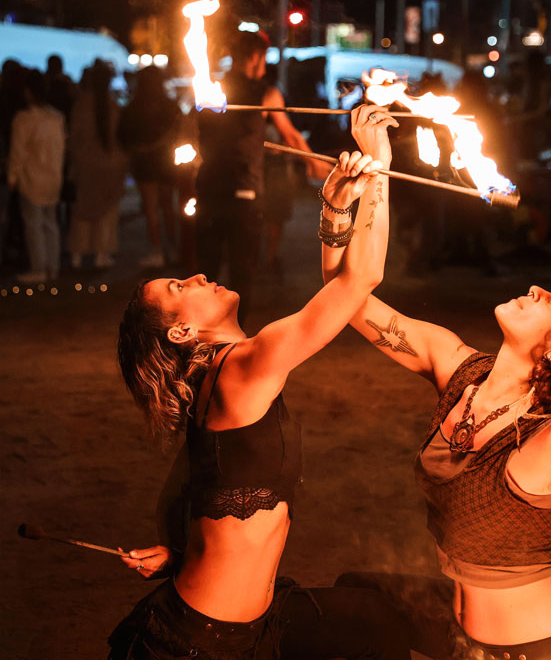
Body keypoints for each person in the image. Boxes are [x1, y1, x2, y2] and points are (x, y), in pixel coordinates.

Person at [322, 150, 551, 657]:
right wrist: (351, 195)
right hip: (466, 642)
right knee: (349, 596)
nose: (536, 288)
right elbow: (342, 298)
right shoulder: (456, 366)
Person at [108, 105, 410, 660]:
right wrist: (381, 166)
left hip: (234, 622)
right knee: (376, 625)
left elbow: (195, 489)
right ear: (182, 331)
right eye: (180, 286)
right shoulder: (243, 366)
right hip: (200, 644)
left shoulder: (213, 381)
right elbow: (360, 279)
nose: (197, 274)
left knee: (375, 619)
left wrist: (337, 203)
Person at [194, 30, 329, 324]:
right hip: (243, 193)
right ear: (255, 56)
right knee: (241, 270)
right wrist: (314, 162)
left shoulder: (211, 87)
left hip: (207, 189)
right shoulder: (265, 93)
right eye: (264, 57)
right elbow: (290, 134)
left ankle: (204, 330)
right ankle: (233, 331)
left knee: (206, 269)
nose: (264, 64)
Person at [118, 65, 181, 268]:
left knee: (151, 208)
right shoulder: (170, 106)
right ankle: (171, 247)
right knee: (167, 206)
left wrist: (139, 148)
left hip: (144, 163)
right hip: (166, 161)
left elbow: (123, 135)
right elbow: (179, 131)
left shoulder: (134, 107)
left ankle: (157, 250)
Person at [67, 60, 127, 269]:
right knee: (107, 212)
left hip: (86, 166)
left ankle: (77, 254)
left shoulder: (81, 105)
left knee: (82, 212)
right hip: (111, 166)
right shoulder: (113, 106)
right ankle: (102, 254)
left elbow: (74, 139)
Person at [7, 69, 65, 284]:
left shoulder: (25, 119)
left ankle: (39, 268)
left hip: (32, 178)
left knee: (34, 225)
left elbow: (18, 151)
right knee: (51, 223)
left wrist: (12, 176)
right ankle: (53, 267)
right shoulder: (56, 117)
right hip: (53, 177)